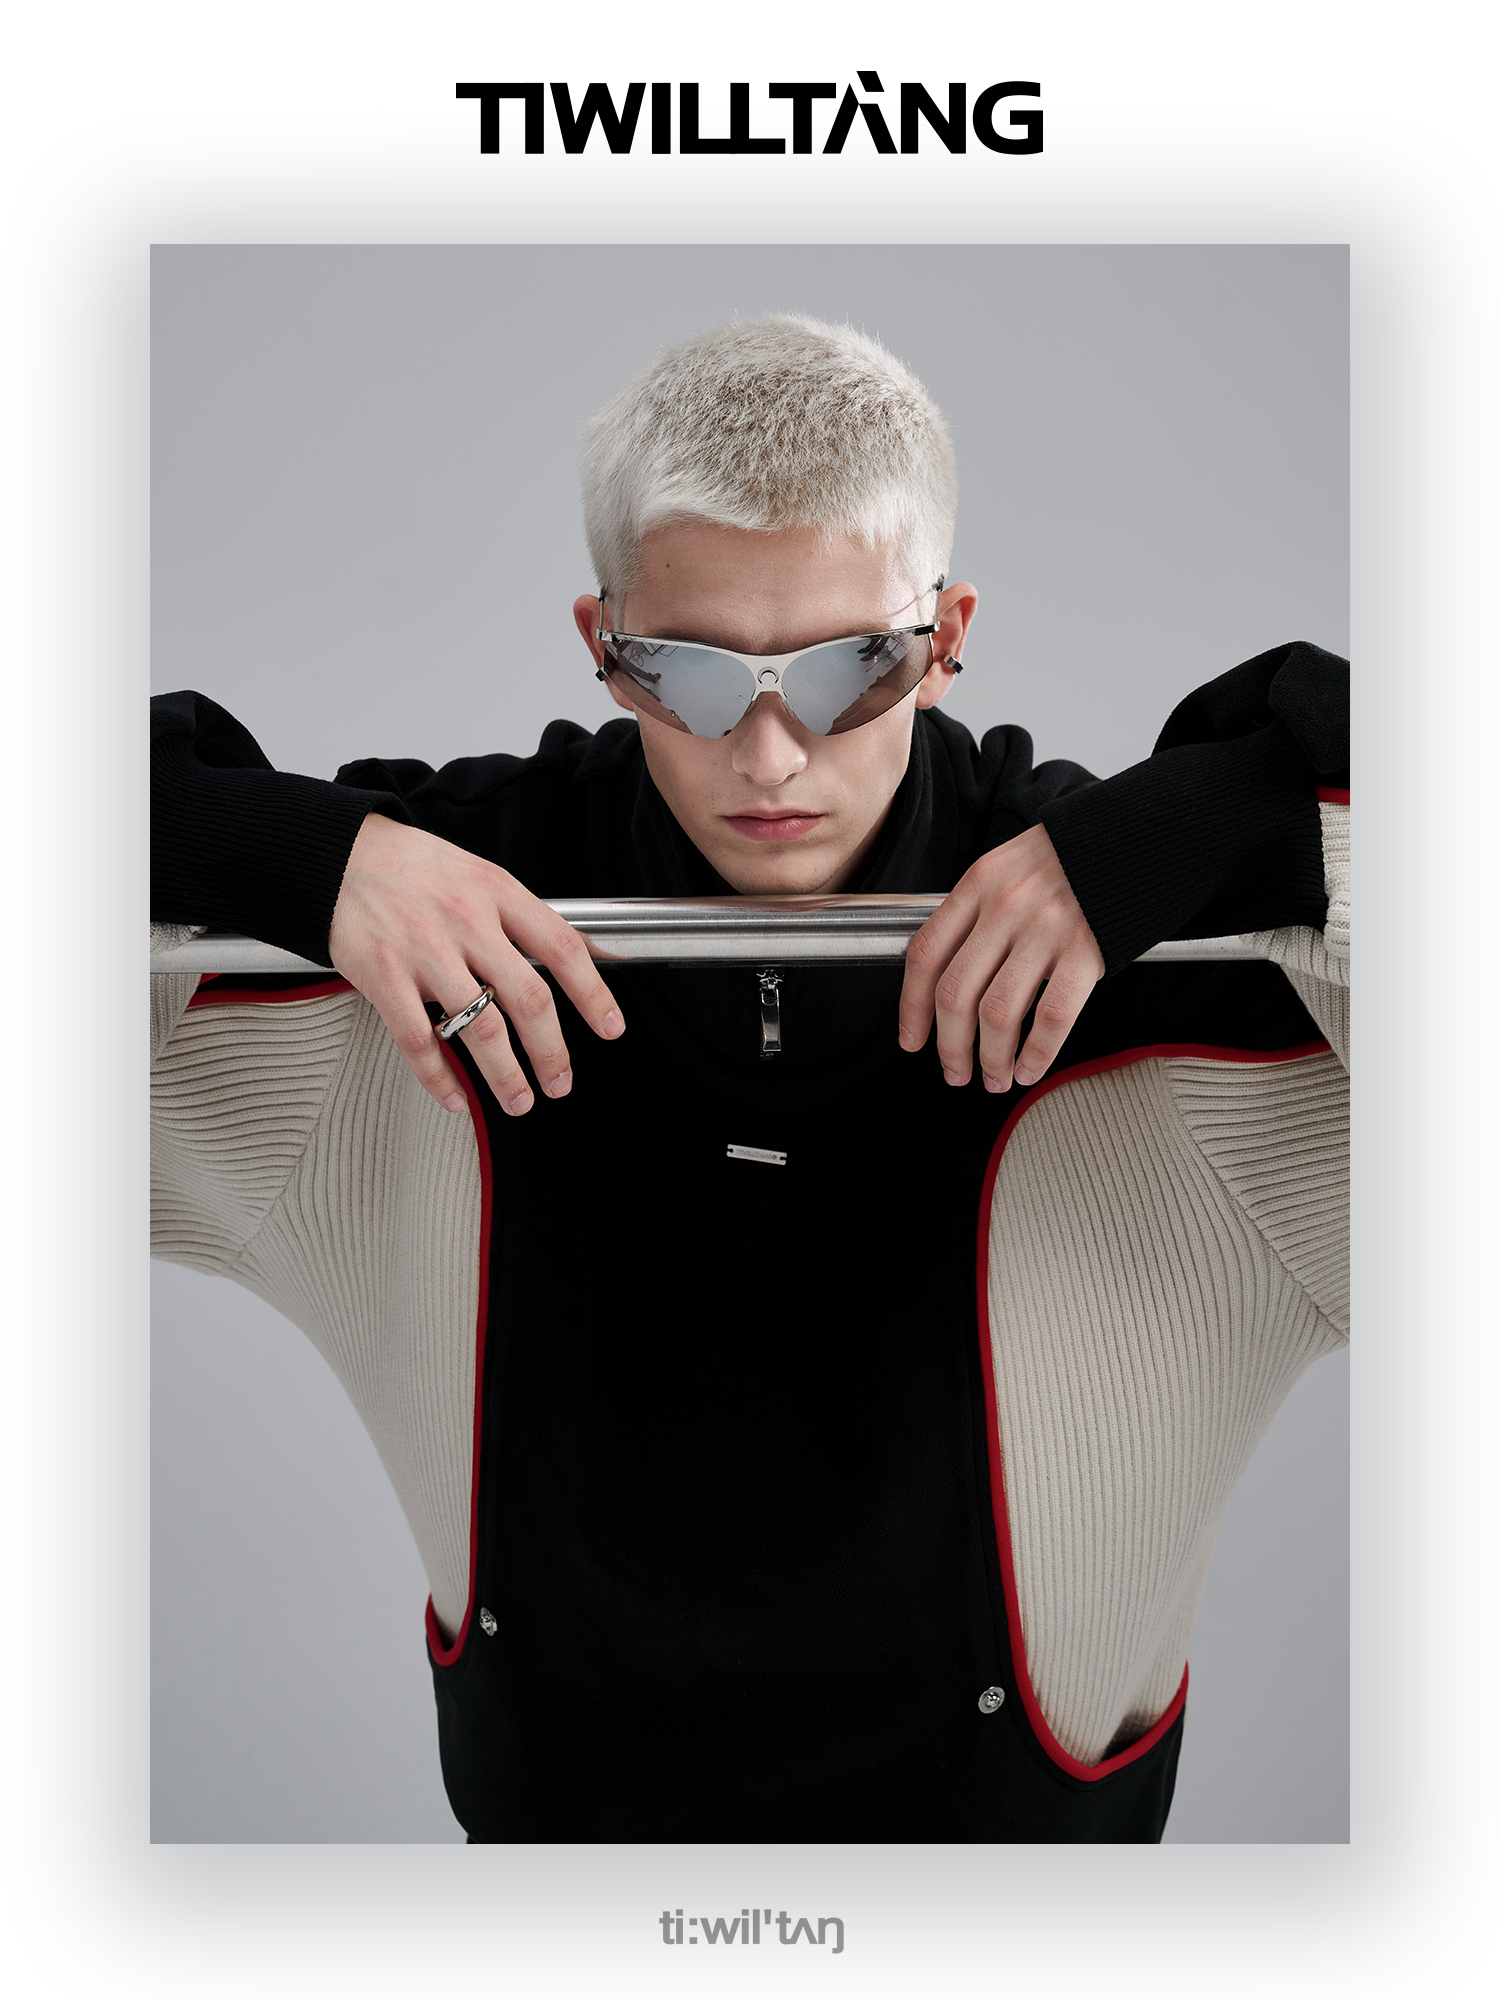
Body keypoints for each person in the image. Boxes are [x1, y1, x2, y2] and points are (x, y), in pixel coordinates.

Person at [151, 313, 1348, 1842]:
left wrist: (1225, 813)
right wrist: (293, 854)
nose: (772, 756)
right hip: (562, 1878)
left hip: (1025, 1889)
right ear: (603, 646)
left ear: (948, 633)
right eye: (693, 676)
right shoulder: (438, 897)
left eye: (853, 670)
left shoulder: (1168, 939)